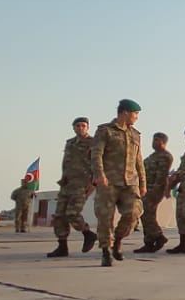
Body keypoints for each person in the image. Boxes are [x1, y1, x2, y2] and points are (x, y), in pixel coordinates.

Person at [91, 99, 147, 267]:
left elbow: (139, 161)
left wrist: (143, 183)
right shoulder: (105, 131)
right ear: (125, 113)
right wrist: (100, 175)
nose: (136, 117)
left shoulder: (135, 134)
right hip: (108, 182)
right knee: (105, 218)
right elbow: (96, 154)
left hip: (130, 183)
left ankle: (118, 240)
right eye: (135, 113)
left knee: (134, 212)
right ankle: (106, 250)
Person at [47, 117, 99, 257]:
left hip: (82, 184)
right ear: (73, 128)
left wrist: (93, 184)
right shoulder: (70, 143)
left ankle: (88, 234)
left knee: (72, 213)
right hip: (67, 183)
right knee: (59, 216)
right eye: (77, 126)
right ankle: (62, 246)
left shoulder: (93, 143)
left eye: (83, 125)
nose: (80, 128)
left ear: (87, 127)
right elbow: (66, 162)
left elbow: (98, 163)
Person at [136, 133, 174, 253]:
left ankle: (158, 236)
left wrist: (154, 192)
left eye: (157, 140)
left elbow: (161, 176)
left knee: (146, 213)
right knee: (146, 214)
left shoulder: (165, 156)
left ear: (163, 142)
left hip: (155, 190)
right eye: (153, 139)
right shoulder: (152, 156)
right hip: (146, 189)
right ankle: (149, 242)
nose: (154, 142)